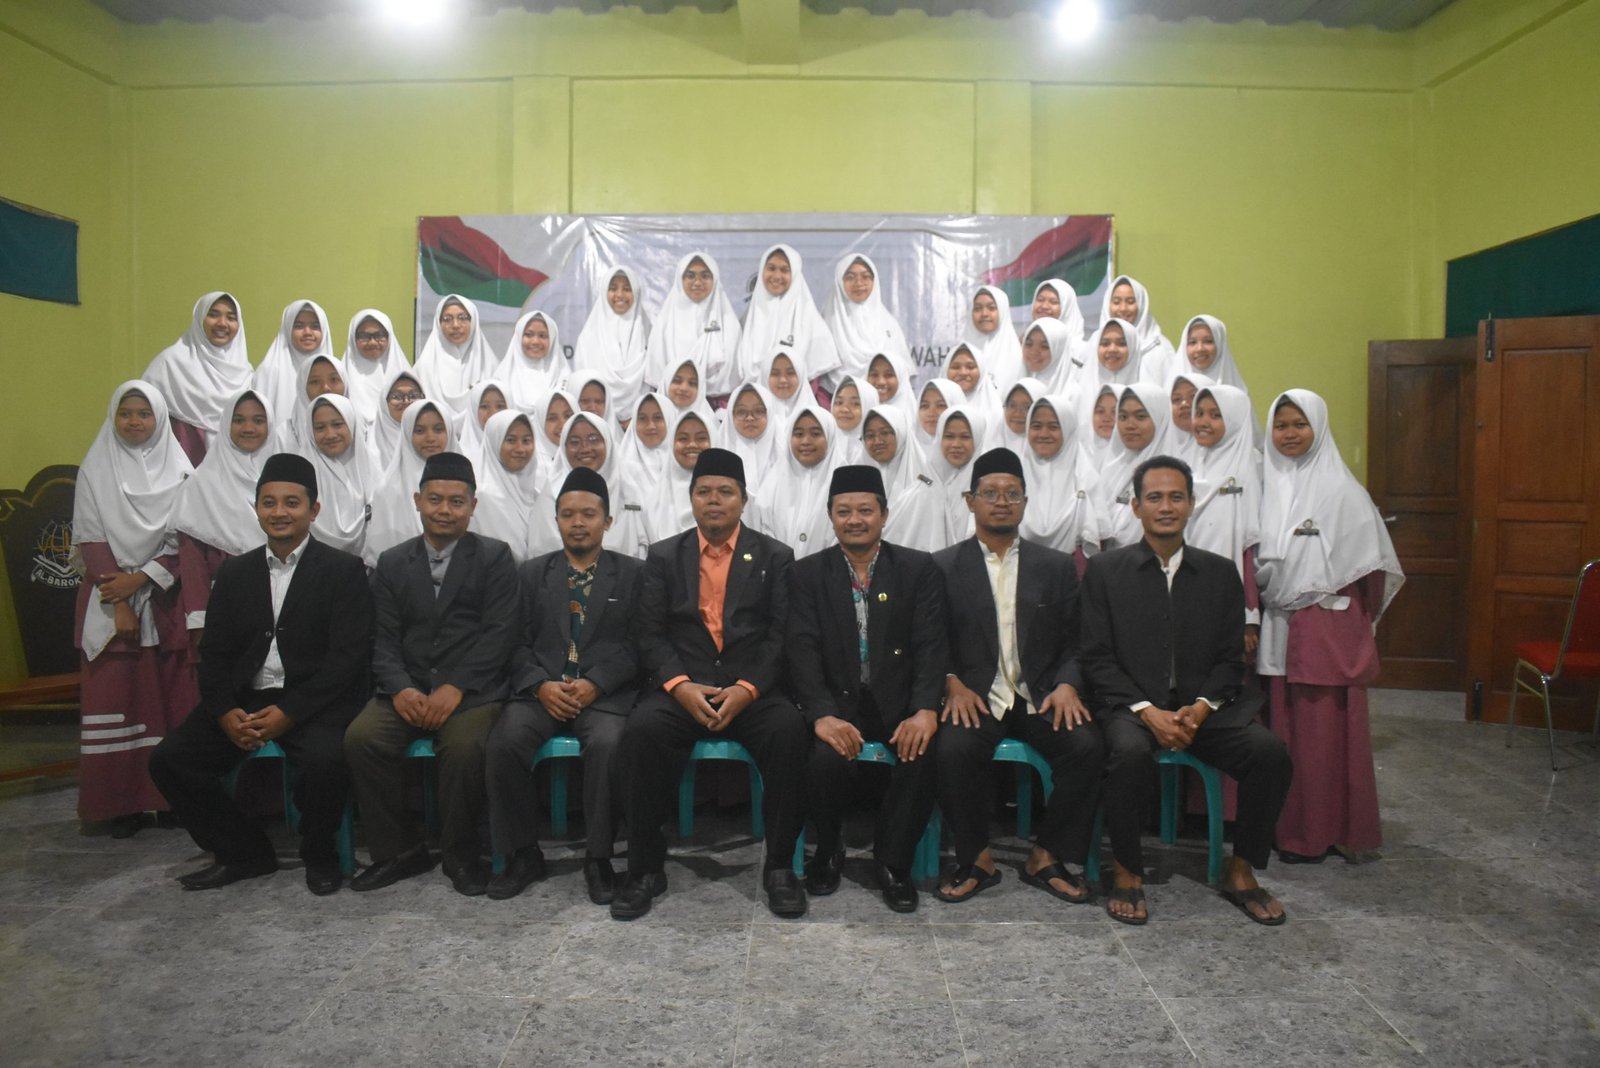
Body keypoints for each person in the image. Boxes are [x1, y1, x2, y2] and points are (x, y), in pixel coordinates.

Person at [1080, 455, 1293, 926]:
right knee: (1128, 753)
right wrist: (1147, 710)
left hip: (1204, 711)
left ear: (1192, 504)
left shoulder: (1219, 573)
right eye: (1154, 497)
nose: (1166, 507)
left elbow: (1229, 659)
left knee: (1269, 753)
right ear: (1135, 506)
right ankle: (1127, 869)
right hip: (1130, 708)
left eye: (1176, 497)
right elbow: (1095, 656)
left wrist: (1201, 707)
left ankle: (1242, 870)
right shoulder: (1106, 571)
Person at [148, 454, 373, 894]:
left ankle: (320, 855)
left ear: (314, 510)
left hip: (313, 702)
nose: (279, 512)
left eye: (292, 502)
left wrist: (290, 712)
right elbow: (214, 653)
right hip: (245, 699)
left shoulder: (343, 571)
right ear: (256, 509)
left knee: (326, 762)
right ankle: (244, 852)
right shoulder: (234, 572)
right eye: (269, 502)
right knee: (170, 760)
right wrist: (224, 711)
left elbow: (347, 659)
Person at [611, 448, 809, 920]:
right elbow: (649, 633)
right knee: (640, 733)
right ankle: (644, 869)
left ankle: (781, 867)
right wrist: (680, 685)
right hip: (684, 689)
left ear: (743, 500)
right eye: (704, 492)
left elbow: (782, 635)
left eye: (725, 492)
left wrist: (748, 688)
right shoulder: (664, 556)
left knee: (789, 733)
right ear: (692, 498)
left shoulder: (775, 556)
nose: (714, 500)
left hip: (751, 690)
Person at [931, 447, 1103, 906]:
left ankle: (1047, 855)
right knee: (951, 749)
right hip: (975, 695)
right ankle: (976, 858)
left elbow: (1078, 639)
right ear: (970, 501)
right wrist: (950, 681)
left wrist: (1068, 683)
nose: (1001, 502)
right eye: (990, 493)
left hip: (1040, 694)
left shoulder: (1056, 566)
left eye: (1012, 493)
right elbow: (930, 639)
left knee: (1087, 747)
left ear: (1025, 502)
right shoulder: (943, 566)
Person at [344, 451, 521, 895]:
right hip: (407, 687)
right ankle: (398, 852)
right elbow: (383, 638)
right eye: (436, 499)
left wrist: (456, 686)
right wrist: (401, 689)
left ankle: (461, 855)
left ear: (473, 506)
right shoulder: (392, 561)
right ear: (418, 500)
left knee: (464, 747)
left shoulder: (495, 557)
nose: (445, 510)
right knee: (363, 738)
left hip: (472, 691)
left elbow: (500, 634)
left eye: (457, 502)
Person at [786, 465, 946, 913]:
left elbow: (931, 644)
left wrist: (925, 709)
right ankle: (828, 848)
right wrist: (821, 714)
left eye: (865, 510)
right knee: (820, 758)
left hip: (900, 702)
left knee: (923, 752)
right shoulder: (806, 574)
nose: (854, 520)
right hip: (836, 702)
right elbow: (801, 649)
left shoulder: (918, 568)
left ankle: (893, 861)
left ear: (884, 515)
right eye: (844, 512)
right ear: (830, 516)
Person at [1256, 390, 1402, 864]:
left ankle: (1322, 833)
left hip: (1325, 632)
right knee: (1284, 734)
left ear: (1318, 427)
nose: (1289, 434)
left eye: (1300, 424)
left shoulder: (1344, 492)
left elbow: (1370, 574)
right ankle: (1287, 828)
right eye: (1281, 425)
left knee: (1322, 738)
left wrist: (1338, 616)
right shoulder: (1266, 485)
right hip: (1279, 625)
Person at [485, 467, 643, 904]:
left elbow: (639, 645)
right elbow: (513, 642)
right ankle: (522, 854)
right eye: (568, 514)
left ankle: (599, 858)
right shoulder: (531, 574)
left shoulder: (633, 574)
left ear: (608, 521)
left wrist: (596, 683)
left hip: (604, 694)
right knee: (504, 741)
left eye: (588, 514)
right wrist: (540, 685)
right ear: (555, 520)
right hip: (542, 692)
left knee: (609, 743)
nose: (578, 523)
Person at [72, 381, 196, 837]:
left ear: (159, 418)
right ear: (114, 416)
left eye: (145, 413)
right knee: (118, 699)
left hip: (165, 598)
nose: (135, 421)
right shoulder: (95, 468)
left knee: (171, 701)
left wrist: (141, 579)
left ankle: (170, 799)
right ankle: (120, 804)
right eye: (126, 413)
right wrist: (121, 598)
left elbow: (185, 537)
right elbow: (91, 537)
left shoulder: (181, 472)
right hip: (109, 601)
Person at [175, 389, 277, 634]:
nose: (248, 428)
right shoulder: (201, 484)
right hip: (221, 607)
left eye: (258, 420)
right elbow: (192, 561)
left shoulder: (282, 479)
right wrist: (200, 622)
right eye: (238, 420)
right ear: (225, 424)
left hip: (281, 604)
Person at [141, 292, 252, 464]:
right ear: (200, 318)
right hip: (182, 461)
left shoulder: (244, 371)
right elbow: (143, 413)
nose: (222, 323)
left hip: (233, 463)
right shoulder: (170, 363)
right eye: (213, 315)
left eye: (231, 318)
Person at [364, 399, 456, 567]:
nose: (430, 438)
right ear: (407, 433)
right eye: (419, 430)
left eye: (438, 429)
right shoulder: (387, 490)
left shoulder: (468, 482)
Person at [735, 244, 840, 389]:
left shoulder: (811, 322)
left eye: (785, 270)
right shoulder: (746, 321)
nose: (777, 276)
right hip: (751, 400)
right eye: (771, 268)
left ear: (795, 274)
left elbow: (814, 379)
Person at [1018, 394, 1102, 568]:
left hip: (1072, 571)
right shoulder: (1014, 475)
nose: (1044, 434)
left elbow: (1097, 536)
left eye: (1053, 427)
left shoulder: (1086, 478)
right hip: (1019, 567)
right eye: (1036, 426)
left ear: (1068, 430)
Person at [646, 252, 741, 398]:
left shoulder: (730, 325)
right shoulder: (664, 325)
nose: (697, 283)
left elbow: (734, 374)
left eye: (705, 276)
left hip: (719, 406)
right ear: (680, 279)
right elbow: (657, 373)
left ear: (715, 280)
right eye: (690, 276)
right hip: (671, 403)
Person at [754, 402, 842, 558]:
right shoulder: (772, 484)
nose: (806, 441)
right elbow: (762, 532)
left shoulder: (845, 485)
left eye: (815, 434)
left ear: (830, 436)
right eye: (799, 434)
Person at [859, 407, 947, 554]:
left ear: (901, 433)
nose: (877, 441)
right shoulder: (860, 481)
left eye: (885, 433)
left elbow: (933, 543)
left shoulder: (925, 487)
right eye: (869, 435)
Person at [821, 253, 911, 385]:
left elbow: (901, 371)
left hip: (884, 395)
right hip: (836, 396)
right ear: (840, 281)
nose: (859, 283)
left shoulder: (889, 325)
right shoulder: (825, 325)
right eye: (850, 277)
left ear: (874, 281)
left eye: (866, 276)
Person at [302, 393, 372, 559]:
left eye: (337, 424)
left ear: (352, 424)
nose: (330, 434)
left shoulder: (374, 469)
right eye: (320, 428)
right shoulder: (301, 475)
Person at [573, 266, 650, 416]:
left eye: (627, 289)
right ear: (604, 292)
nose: (620, 295)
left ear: (636, 292)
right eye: (613, 288)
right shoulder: (588, 338)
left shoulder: (649, 333)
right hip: (596, 416)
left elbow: (654, 379)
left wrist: (636, 419)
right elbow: (582, 384)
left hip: (641, 418)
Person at [414, 294, 498, 421]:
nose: (455, 325)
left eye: (462, 318)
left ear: (473, 321)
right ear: (438, 323)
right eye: (447, 319)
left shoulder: (490, 366)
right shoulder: (423, 368)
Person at [471, 409, 541, 561]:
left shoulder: (536, 494)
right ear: (494, 442)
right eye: (510, 440)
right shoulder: (483, 496)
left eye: (526, 440)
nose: (520, 449)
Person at [253, 300, 336, 423]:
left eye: (315, 326)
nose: (307, 332)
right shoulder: (269, 371)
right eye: (299, 326)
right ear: (288, 329)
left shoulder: (335, 372)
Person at [1099, 275, 1176, 386]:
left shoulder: (1160, 349)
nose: (1123, 308)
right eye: (1116, 302)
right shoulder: (1096, 347)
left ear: (1142, 305)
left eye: (1130, 302)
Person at [340, 308, 409, 428]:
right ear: (353, 339)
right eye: (364, 336)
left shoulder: (404, 374)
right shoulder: (339, 377)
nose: (372, 342)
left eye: (379, 335)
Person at [494, 310, 566, 412]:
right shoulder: (502, 377)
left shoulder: (564, 377)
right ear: (518, 337)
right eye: (529, 335)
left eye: (542, 336)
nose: (535, 341)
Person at [961, 286, 1023, 388]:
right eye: (977, 308)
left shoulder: (1019, 358)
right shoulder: (959, 354)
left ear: (1003, 311)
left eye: (992, 308)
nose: (984, 313)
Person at [1177, 314, 1249, 394]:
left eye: (1208, 341)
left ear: (1220, 345)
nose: (1200, 348)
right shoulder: (1173, 392)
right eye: (1192, 342)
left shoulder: (1237, 393)